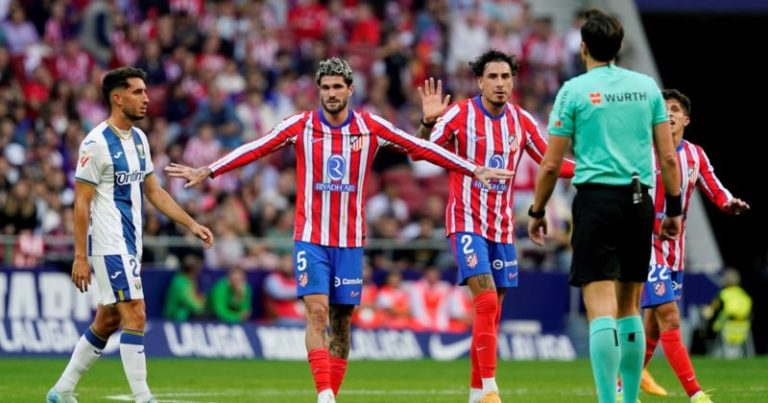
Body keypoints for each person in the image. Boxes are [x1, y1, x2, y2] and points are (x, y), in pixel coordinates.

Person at [165, 57, 513, 403]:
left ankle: (333, 392)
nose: (331, 93)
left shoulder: (370, 126)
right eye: (325, 87)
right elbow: (256, 147)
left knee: (342, 324)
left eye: (337, 87)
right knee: (317, 312)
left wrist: (471, 169)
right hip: (310, 239)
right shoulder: (300, 125)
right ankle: (325, 396)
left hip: (349, 243)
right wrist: (210, 170)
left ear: (350, 89)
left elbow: (420, 147)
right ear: (319, 91)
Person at [527, 9, 683, 403]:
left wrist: (538, 210)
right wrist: (675, 209)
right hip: (639, 201)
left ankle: (607, 401)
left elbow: (549, 163)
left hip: (596, 201)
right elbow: (667, 158)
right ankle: (629, 399)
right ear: (618, 47)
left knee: (600, 308)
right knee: (630, 306)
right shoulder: (647, 87)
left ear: (583, 48)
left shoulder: (573, 91)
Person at [416, 49, 575, 403]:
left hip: (501, 228)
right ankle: (490, 389)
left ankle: (476, 393)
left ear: (513, 81)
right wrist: (427, 123)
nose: (500, 84)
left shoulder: (522, 120)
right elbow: (419, 154)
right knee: (486, 302)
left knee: (493, 310)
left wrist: (594, 170)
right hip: (466, 222)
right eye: (493, 77)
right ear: (479, 81)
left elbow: (551, 162)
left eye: (506, 77)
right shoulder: (458, 114)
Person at [47, 67, 214, 403]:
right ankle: (143, 397)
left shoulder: (139, 140)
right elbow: (81, 204)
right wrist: (81, 256)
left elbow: (154, 191)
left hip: (131, 244)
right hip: (109, 245)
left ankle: (61, 391)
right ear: (117, 98)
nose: (146, 98)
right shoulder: (95, 143)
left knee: (108, 319)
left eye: (145, 91)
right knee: (136, 312)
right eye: (138, 92)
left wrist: (190, 223)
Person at [637, 89, 749, 402]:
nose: (669, 114)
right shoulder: (641, 150)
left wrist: (729, 203)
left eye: (675, 109)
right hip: (646, 247)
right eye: (663, 109)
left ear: (686, 119)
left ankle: (622, 385)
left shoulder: (695, 155)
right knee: (670, 318)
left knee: (655, 328)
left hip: (675, 252)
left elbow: (715, 187)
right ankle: (696, 393)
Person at [163, 254, 207, 322]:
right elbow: (191, 303)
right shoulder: (179, 283)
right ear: (192, 270)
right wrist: (203, 307)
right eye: (197, 269)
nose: (198, 272)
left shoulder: (190, 281)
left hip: (187, 316)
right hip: (174, 318)